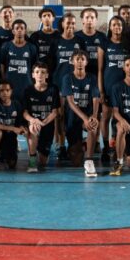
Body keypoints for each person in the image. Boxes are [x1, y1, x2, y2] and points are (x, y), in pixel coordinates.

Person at [99, 15, 130, 165]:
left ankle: (119, 144)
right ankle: (106, 147)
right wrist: (101, 91)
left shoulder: (129, 44)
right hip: (108, 85)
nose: (117, 27)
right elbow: (100, 69)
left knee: (121, 117)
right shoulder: (104, 44)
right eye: (114, 25)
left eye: (119, 25)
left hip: (124, 88)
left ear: (123, 27)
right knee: (106, 117)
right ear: (110, 27)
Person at [61, 50, 101, 177]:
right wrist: (84, 118)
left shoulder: (92, 78)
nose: (79, 62)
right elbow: (70, 102)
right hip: (72, 117)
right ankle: (82, 144)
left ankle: (89, 161)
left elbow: (96, 98)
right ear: (72, 61)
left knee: (93, 126)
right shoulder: (67, 78)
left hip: (87, 115)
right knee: (76, 161)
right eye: (77, 59)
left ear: (86, 62)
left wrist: (94, 116)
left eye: (82, 59)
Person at [50, 13, 81, 159]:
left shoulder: (79, 41)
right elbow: (51, 63)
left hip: (76, 84)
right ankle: (61, 145)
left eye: (73, 23)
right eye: (68, 23)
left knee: (74, 115)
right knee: (60, 115)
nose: (70, 25)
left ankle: (74, 144)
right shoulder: (56, 41)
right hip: (59, 83)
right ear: (62, 24)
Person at [22, 62, 60, 172]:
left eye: (43, 72)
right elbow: (25, 113)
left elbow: (55, 112)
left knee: (43, 161)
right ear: (33, 75)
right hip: (34, 122)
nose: (40, 75)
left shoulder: (53, 89)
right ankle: (32, 160)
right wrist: (33, 120)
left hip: (47, 124)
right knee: (33, 128)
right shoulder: (28, 90)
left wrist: (43, 123)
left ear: (47, 75)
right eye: (37, 72)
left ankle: (36, 148)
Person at [0, 19, 38, 101]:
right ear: (13, 31)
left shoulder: (32, 47)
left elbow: (35, 67)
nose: (19, 30)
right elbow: (1, 65)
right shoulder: (6, 46)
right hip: (9, 86)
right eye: (17, 28)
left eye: (22, 28)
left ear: (25, 31)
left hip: (27, 85)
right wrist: (3, 81)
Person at [0, 80, 25, 172]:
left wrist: (22, 129)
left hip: (11, 138)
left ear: (11, 91)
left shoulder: (17, 104)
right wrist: (12, 128)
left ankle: (4, 154)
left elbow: (21, 123)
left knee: (12, 164)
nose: (5, 93)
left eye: (7, 90)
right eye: (2, 90)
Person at [76, 7, 105, 84]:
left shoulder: (102, 37)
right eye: (87, 17)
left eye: (92, 17)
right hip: (80, 75)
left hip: (98, 75)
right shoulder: (76, 36)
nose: (89, 20)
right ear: (82, 20)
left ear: (96, 20)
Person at [29, 7, 60, 71]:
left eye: (49, 15)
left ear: (53, 18)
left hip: (56, 70)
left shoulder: (59, 35)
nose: (47, 18)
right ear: (41, 19)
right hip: (40, 71)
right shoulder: (35, 36)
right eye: (44, 16)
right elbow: (31, 56)